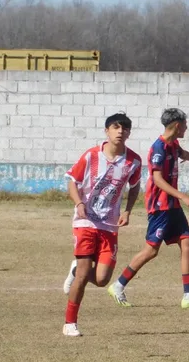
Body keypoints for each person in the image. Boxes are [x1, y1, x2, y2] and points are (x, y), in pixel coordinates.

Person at [106, 108, 189, 309]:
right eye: (185, 125)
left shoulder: (173, 144)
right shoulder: (159, 148)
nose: (187, 128)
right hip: (160, 207)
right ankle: (118, 285)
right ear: (178, 126)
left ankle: (188, 296)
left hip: (172, 205)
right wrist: (184, 196)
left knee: (187, 244)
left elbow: (182, 153)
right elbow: (157, 178)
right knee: (150, 251)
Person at [61, 112, 142, 336]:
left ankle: (77, 268)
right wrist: (78, 203)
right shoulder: (91, 156)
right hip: (85, 221)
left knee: (102, 278)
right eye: (116, 127)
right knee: (84, 274)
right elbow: (71, 181)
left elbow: (134, 186)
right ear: (107, 131)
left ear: (129, 133)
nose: (120, 131)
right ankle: (70, 323)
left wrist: (127, 210)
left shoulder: (133, 161)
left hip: (109, 225)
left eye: (124, 128)